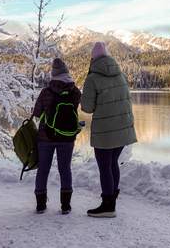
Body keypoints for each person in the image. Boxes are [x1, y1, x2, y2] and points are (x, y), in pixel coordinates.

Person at [81, 42, 137, 217]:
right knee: (113, 164)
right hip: (123, 128)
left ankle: (107, 206)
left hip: (105, 131)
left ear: (92, 59)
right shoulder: (121, 75)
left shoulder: (92, 78)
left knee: (104, 167)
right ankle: (112, 201)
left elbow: (87, 108)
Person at [33, 58, 81, 214]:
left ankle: (41, 205)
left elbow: (37, 114)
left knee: (43, 170)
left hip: (45, 137)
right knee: (65, 170)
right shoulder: (75, 92)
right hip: (67, 137)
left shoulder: (45, 92)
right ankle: (65, 206)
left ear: (53, 74)